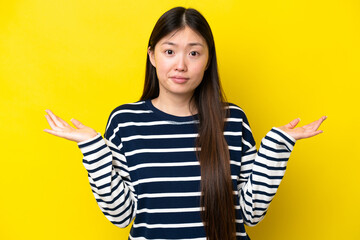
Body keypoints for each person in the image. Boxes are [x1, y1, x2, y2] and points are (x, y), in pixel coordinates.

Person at [44, 6, 327, 240]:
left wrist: (277, 146)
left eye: (194, 53)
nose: (181, 64)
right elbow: (121, 216)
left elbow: (251, 214)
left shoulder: (233, 120)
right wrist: (92, 147)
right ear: (152, 55)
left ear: (207, 61)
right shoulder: (124, 122)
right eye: (169, 51)